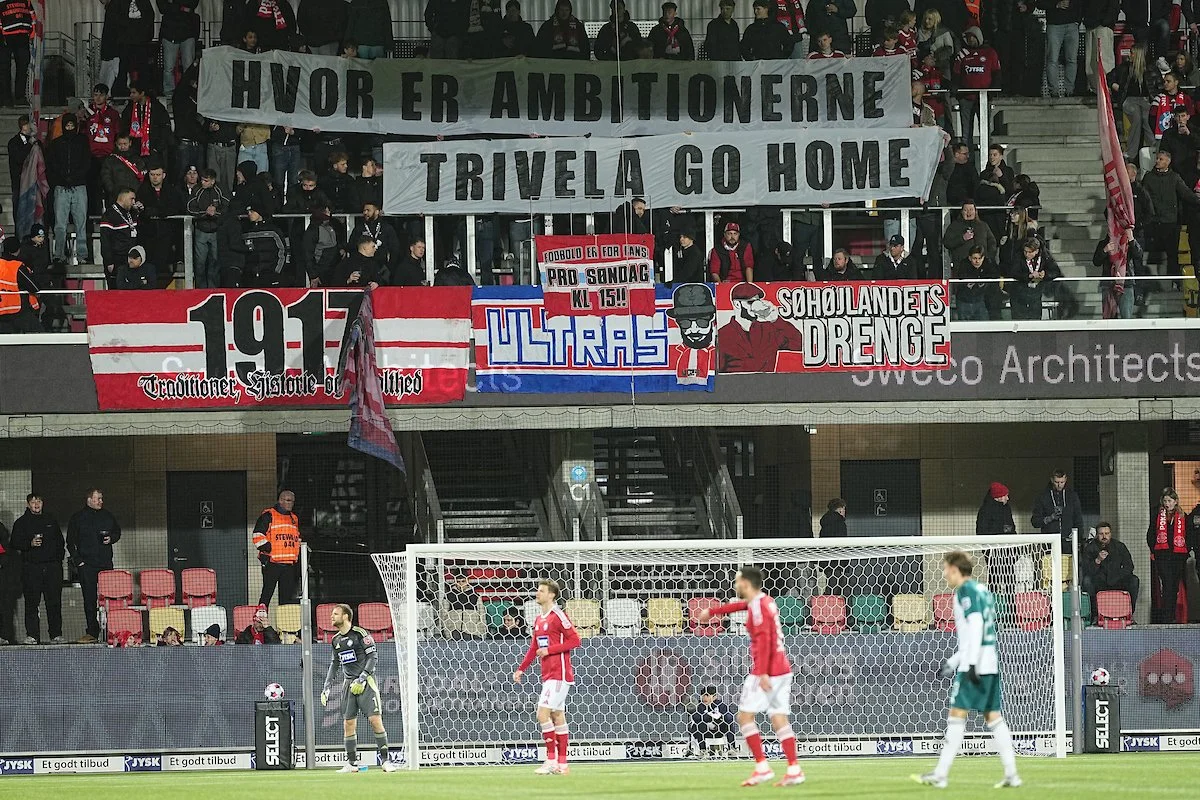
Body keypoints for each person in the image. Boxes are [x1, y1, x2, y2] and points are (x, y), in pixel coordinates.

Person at [914, 551, 1021, 789]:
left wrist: (969, 663)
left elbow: (974, 627)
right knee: (993, 717)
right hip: (990, 663)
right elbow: (980, 633)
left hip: (975, 665)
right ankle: (1012, 774)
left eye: (945, 569)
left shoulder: (965, 591)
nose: (943, 574)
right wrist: (952, 662)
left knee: (956, 717)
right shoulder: (983, 591)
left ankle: (940, 775)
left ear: (954, 569)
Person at [698, 566, 803, 787]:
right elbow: (741, 605)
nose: (735, 585)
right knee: (778, 718)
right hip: (782, 668)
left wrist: (763, 672)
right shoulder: (765, 601)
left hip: (767, 670)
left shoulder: (758, 608)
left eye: (737, 581)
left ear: (745, 583)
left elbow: (764, 639)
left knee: (745, 717)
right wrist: (714, 612)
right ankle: (794, 769)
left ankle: (762, 767)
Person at [512, 579, 582, 775]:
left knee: (542, 714)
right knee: (557, 716)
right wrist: (521, 669)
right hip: (548, 675)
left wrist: (550, 650)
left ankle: (550, 760)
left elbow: (576, 640)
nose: (537, 593)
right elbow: (534, 648)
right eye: (537, 590)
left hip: (559, 674)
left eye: (541, 591)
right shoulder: (538, 619)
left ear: (551, 594)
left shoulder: (558, 615)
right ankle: (562, 765)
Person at [321, 604, 399, 773]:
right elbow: (335, 664)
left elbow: (373, 657)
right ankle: (351, 763)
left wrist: (362, 678)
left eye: (335, 614)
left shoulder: (360, 634)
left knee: (375, 720)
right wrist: (326, 686)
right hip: (348, 684)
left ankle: (385, 761)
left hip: (366, 683)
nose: (331, 617)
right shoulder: (335, 640)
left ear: (346, 616)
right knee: (348, 723)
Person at [66, 489, 121, 644]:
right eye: (98, 499)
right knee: (89, 599)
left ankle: (113, 631)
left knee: (111, 598)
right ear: (89, 499)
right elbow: (70, 542)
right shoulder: (78, 518)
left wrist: (111, 538)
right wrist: (78, 561)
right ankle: (92, 632)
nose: (101, 501)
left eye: (102, 499)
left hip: (105, 564)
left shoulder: (107, 515)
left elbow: (117, 532)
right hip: (87, 566)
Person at [10, 493, 64, 645]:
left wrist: (56, 561)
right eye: (33, 502)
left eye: (39, 501)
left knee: (54, 602)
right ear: (28, 504)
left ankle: (56, 635)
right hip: (31, 569)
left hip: (52, 568)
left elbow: (60, 542)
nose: (36, 504)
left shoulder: (51, 520)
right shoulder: (21, 523)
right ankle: (32, 635)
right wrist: (29, 543)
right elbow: (15, 542)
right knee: (32, 603)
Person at [717, 282, 802, 373]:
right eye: (750, 302)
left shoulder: (769, 330)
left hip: (767, 384)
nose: (755, 305)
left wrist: (776, 319)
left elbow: (799, 343)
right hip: (735, 384)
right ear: (737, 304)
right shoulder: (723, 335)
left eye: (758, 301)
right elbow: (717, 370)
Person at [47, 115, 92, 264]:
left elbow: (87, 163)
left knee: (81, 222)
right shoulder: (56, 144)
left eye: (72, 126)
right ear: (64, 126)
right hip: (61, 188)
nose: (70, 128)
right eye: (67, 126)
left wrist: (75, 177)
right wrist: (62, 179)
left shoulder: (83, 142)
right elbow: (52, 166)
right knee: (60, 224)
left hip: (79, 186)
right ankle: (59, 255)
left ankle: (82, 255)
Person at [952, 27, 1001, 151]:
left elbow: (996, 73)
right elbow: (956, 73)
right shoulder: (963, 53)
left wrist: (992, 92)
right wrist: (956, 88)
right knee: (966, 132)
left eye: (972, 37)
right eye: (968, 37)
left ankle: (987, 156)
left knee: (985, 130)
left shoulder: (990, 53)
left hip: (983, 98)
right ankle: (967, 159)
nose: (970, 40)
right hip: (966, 98)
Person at [1147, 488, 1192, 624]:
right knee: (1166, 585)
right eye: (1165, 501)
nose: (1167, 504)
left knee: (1174, 586)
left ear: (1175, 501)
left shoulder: (1183, 516)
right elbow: (1150, 535)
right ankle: (1166, 617)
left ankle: (1172, 615)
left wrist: (1187, 551)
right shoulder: (1157, 516)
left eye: (1170, 501)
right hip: (1162, 557)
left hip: (1178, 558)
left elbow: (1189, 535)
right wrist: (1155, 551)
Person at [1081, 522, 1139, 622]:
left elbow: (1129, 566)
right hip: (1100, 581)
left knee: (1134, 580)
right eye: (1101, 534)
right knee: (1087, 581)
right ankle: (1094, 615)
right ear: (1096, 535)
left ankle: (1130, 613)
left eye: (1107, 533)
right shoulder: (1090, 548)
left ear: (1111, 534)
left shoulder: (1120, 546)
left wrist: (1117, 575)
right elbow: (1087, 571)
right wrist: (1097, 560)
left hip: (1117, 580)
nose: (1104, 536)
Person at [252, 489, 301, 607]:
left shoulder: (294, 518)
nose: (291, 504)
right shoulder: (268, 515)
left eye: (292, 501)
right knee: (266, 594)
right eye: (288, 500)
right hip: (272, 563)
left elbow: (295, 537)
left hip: (289, 564)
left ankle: (285, 625)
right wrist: (269, 549)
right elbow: (257, 535)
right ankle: (260, 623)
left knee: (286, 598)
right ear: (280, 500)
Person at [186, 169, 229, 289]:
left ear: (213, 181)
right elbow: (189, 208)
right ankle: (201, 289)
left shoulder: (220, 189)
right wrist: (205, 213)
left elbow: (228, 206)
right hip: (201, 231)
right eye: (202, 180)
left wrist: (216, 213)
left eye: (206, 181)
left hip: (216, 231)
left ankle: (213, 289)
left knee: (215, 262)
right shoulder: (197, 190)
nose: (203, 183)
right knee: (200, 263)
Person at [1030, 470, 1084, 549]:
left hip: (1068, 542)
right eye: (1056, 482)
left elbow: (1078, 519)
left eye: (1062, 482)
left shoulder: (1072, 496)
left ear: (1065, 480)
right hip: (1049, 543)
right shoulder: (1043, 497)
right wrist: (1050, 518)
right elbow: (1035, 522)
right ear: (1052, 480)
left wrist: (1078, 538)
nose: (1059, 485)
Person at [237, 204, 288, 288]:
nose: (249, 214)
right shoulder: (246, 231)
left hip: (270, 275)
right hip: (250, 277)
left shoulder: (273, 230)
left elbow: (282, 251)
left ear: (260, 212)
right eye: (248, 212)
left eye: (252, 211)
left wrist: (277, 271)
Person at [99, 188, 140, 290]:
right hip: (116, 260)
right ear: (123, 197)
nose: (133, 202)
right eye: (132, 199)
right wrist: (109, 261)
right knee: (116, 291)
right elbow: (105, 240)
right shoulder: (109, 214)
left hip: (130, 259)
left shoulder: (131, 213)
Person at [0, 235, 40, 334]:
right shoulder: (17, 266)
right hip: (17, 311)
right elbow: (34, 287)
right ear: (18, 250)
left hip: (1, 311)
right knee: (39, 336)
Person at [1042, 0, 1081, 99]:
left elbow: (1081, 3)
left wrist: (1078, 20)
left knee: (1072, 59)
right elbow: (1040, 3)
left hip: (1072, 25)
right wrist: (1056, 5)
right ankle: (1053, 91)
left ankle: (1069, 90)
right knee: (1052, 59)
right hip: (1054, 25)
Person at [158, 1, 200, 95]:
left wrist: (173, 4)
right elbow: (162, 7)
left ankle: (187, 90)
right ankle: (169, 92)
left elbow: (194, 4)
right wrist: (183, 8)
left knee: (188, 67)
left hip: (187, 31)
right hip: (170, 32)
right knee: (169, 67)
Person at [952, 245, 1001, 321]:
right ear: (970, 258)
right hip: (964, 301)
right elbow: (961, 276)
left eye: (979, 258)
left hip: (981, 301)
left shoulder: (989, 263)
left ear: (983, 258)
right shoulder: (964, 264)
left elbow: (996, 275)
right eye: (974, 258)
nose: (977, 261)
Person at [0, 0, 33, 107]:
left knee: (23, 68)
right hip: (5, 36)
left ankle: (20, 97)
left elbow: (32, 15)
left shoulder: (26, 1)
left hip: (23, 36)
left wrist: (32, 34)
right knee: (4, 69)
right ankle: (6, 99)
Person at [690, 686, 735, 755]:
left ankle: (731, 748)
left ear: (714, 697)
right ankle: (703, 750)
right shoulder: (699, 706)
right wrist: (709, 718)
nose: (705, 698)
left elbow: (729, 717)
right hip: (704, 732)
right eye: (703, 695)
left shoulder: (721, 705)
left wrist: (719, 718)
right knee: (699, 724)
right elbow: (695, 717)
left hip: (719, 730)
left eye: (707, 695)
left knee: (729, 723)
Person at [100, 134, 145, 205]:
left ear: (130, 143)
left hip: (134, 196)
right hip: (115, 197)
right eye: (120, 144)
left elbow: (142, 176)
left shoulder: (137, 159)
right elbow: (106, 177)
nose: (122, 146)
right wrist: (113, 191)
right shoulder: (110, 160)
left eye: (125, 144)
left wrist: (135, 192)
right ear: (116, 144)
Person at [6, 114, 32, 228]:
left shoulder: (35, 142)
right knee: (18, 212)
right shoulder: (13, 143)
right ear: (24, 126)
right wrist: (30, 144)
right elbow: (19, 158)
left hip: (32, 184)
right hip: (19, 184)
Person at [0, 516, 15, 645]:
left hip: (3, 580)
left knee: (4, 607)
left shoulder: (1, 530)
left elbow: (4, 553)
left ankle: (4, 635)